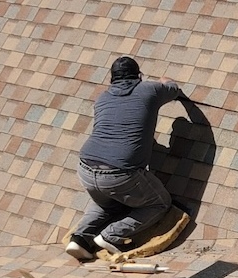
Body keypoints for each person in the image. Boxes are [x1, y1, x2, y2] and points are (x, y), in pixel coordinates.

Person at [66, 56, 180, 260]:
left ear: (113, 79)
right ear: (138, 75)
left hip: (85, 167)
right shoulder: (149, 89)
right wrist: (165, 81)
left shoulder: (102, 98)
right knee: (159, 203)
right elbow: (173, 89)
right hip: (119, 174)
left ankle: (80, 239)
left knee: (107, 205)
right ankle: (111, 236)